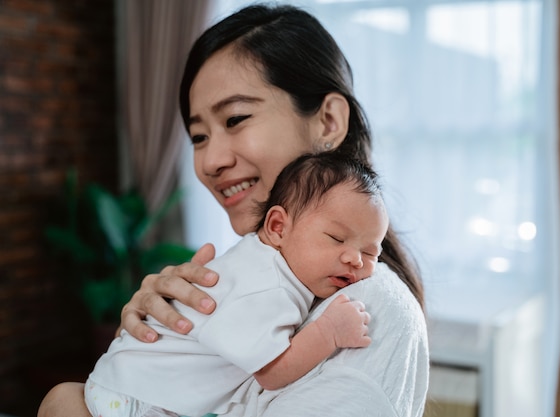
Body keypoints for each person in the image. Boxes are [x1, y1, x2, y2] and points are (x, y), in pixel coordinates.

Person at [38, 4, 429, 417]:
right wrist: (154, 341)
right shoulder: (256, 273)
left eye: (236, 118)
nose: (209, 162)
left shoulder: (368, 308)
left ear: (328, 121)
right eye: (198, 136)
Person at [83, 152, 388, 417]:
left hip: (125, 383)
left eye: (370, 252)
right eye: (336, 239)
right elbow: (271, 372)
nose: (356, 260)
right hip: (134, 399)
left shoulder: (260, 260)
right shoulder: (270, 286)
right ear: (278, 227)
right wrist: (329, 332)